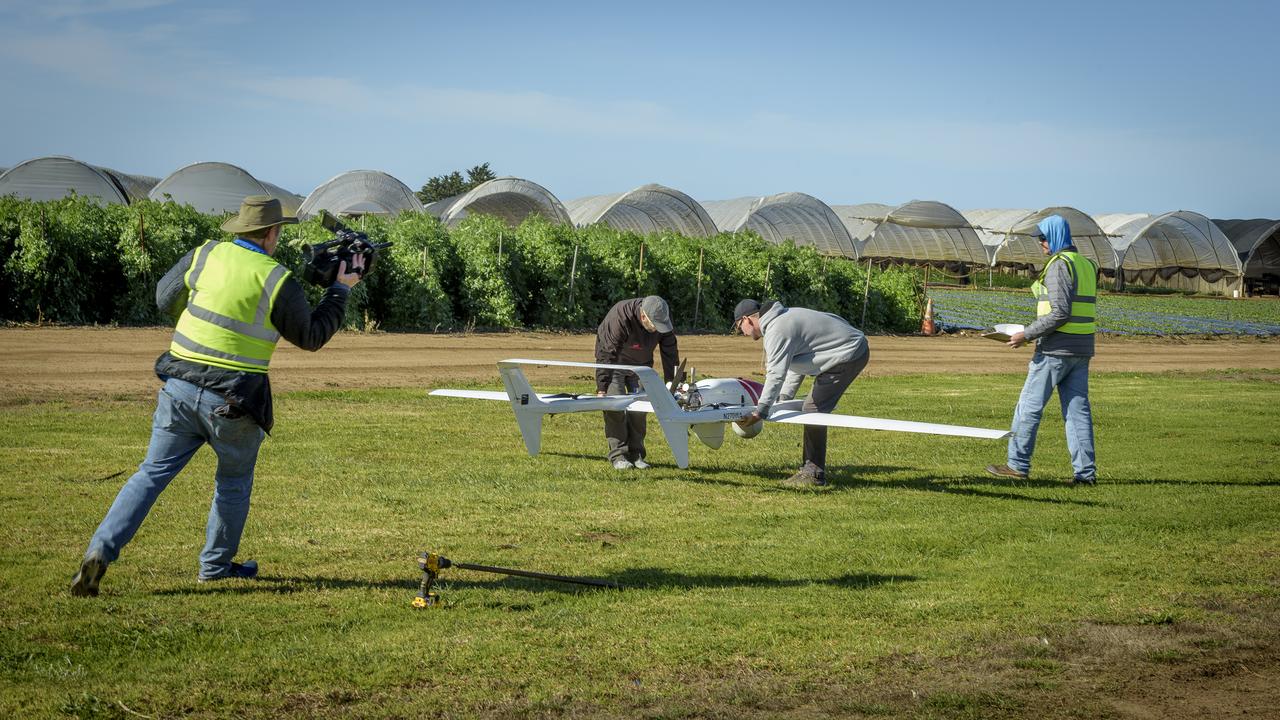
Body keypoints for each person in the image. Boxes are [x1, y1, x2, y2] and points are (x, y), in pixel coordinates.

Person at [70, 196, 364, 596]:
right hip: (234, 400)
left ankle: (99, 551)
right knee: (233, 483)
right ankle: (214, 567)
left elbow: (163, 296)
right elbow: (311, 336)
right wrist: (341, 289)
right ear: (273, 233)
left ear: (240, 229)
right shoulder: (277, 279)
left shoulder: (205, 254)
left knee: (151, 474)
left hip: (179, 385)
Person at [986, 214, 1098, 485]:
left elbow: (1060, 313)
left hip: (1054, 351)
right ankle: (1086, 475)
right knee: (1077, 413)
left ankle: (1017, 465)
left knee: (1028, 408)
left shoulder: (1060, 265)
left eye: (1044, 238)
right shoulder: (1085, 264)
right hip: (1081, 350)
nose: (1041, 243)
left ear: (1057, 237)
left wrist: (1026, 334)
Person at [733, 299, 869, 487]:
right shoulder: (782, 319)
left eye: (740, 327)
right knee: (813, 407)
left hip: (849, 353)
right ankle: (811, 470)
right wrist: (783, 399)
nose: (742, 332)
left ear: (747, 319)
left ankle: (813, 473)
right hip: (851, 347)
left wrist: (760, 411)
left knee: (813, 409)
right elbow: (796, 365)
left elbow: (775, 374)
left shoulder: (776, 330)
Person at [594, 296, 679, 469]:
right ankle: (618, 456)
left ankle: (637, 454)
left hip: (641, 366)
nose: (658, 330)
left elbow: (670, 351)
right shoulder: (620, 316)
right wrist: (602, 386)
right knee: (615, 404)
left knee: (640, 408)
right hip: (614, 363)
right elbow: (607, 352)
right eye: (655, 326)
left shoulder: (662, 317)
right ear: (643, 317)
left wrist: (673, 384)